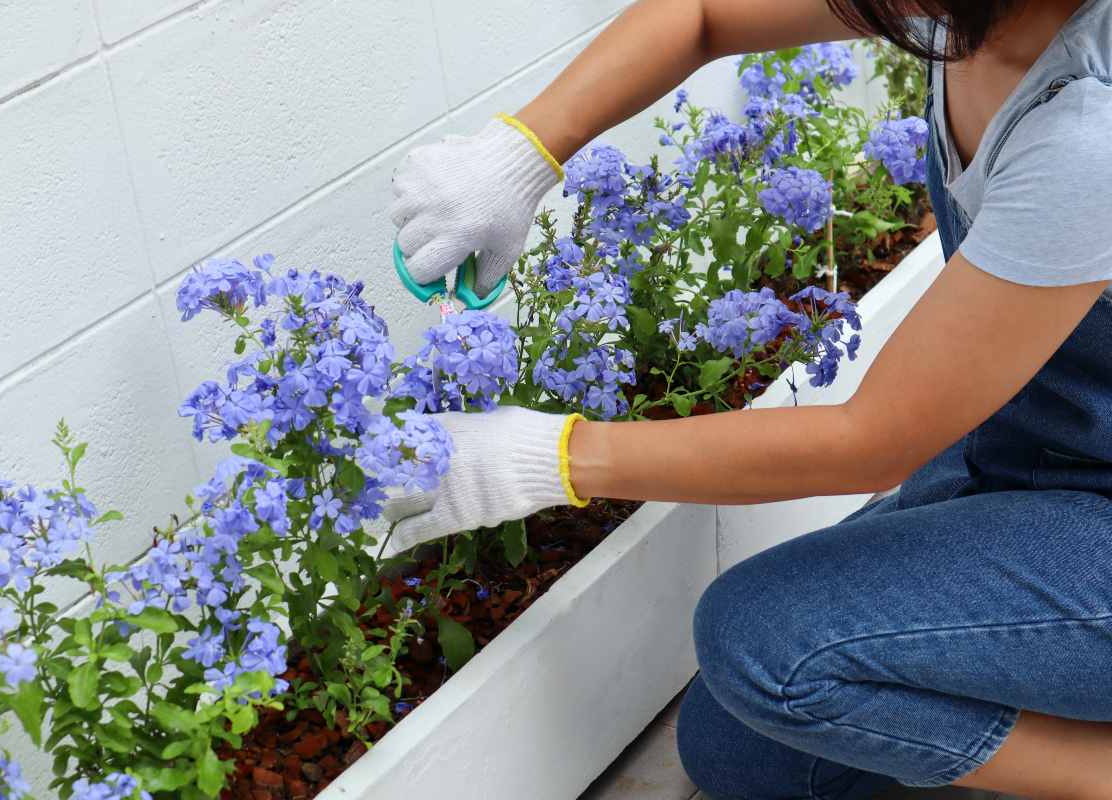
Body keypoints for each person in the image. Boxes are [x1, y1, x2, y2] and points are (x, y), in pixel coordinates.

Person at [385, 1, 1112, 797]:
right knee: (739, 750)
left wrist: (545, 459)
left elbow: (870, 439)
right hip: (1036, 453)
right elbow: (705, 15)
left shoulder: (1088, 133)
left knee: (766, 651)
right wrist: (519, 155)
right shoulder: (968, 13)